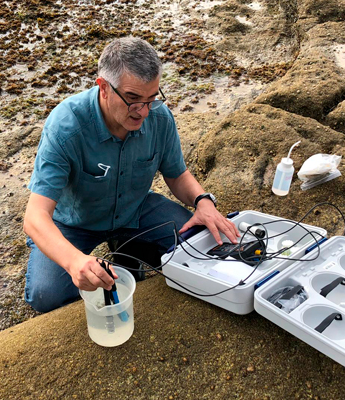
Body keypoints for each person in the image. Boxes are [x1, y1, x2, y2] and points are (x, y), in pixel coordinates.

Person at [23, 37, 239, 313]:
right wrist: (75, 262)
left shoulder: (159, 118)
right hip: (74, 223)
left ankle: (130, 248)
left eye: (151, 99)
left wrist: (202, 201)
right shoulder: (66, 127)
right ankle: (119, 253)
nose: (143, 112)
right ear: (103, 87)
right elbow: (35, 217)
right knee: (46, 295)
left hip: (135, 209)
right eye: (133, 99)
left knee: (198, 246)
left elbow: (177, 174)